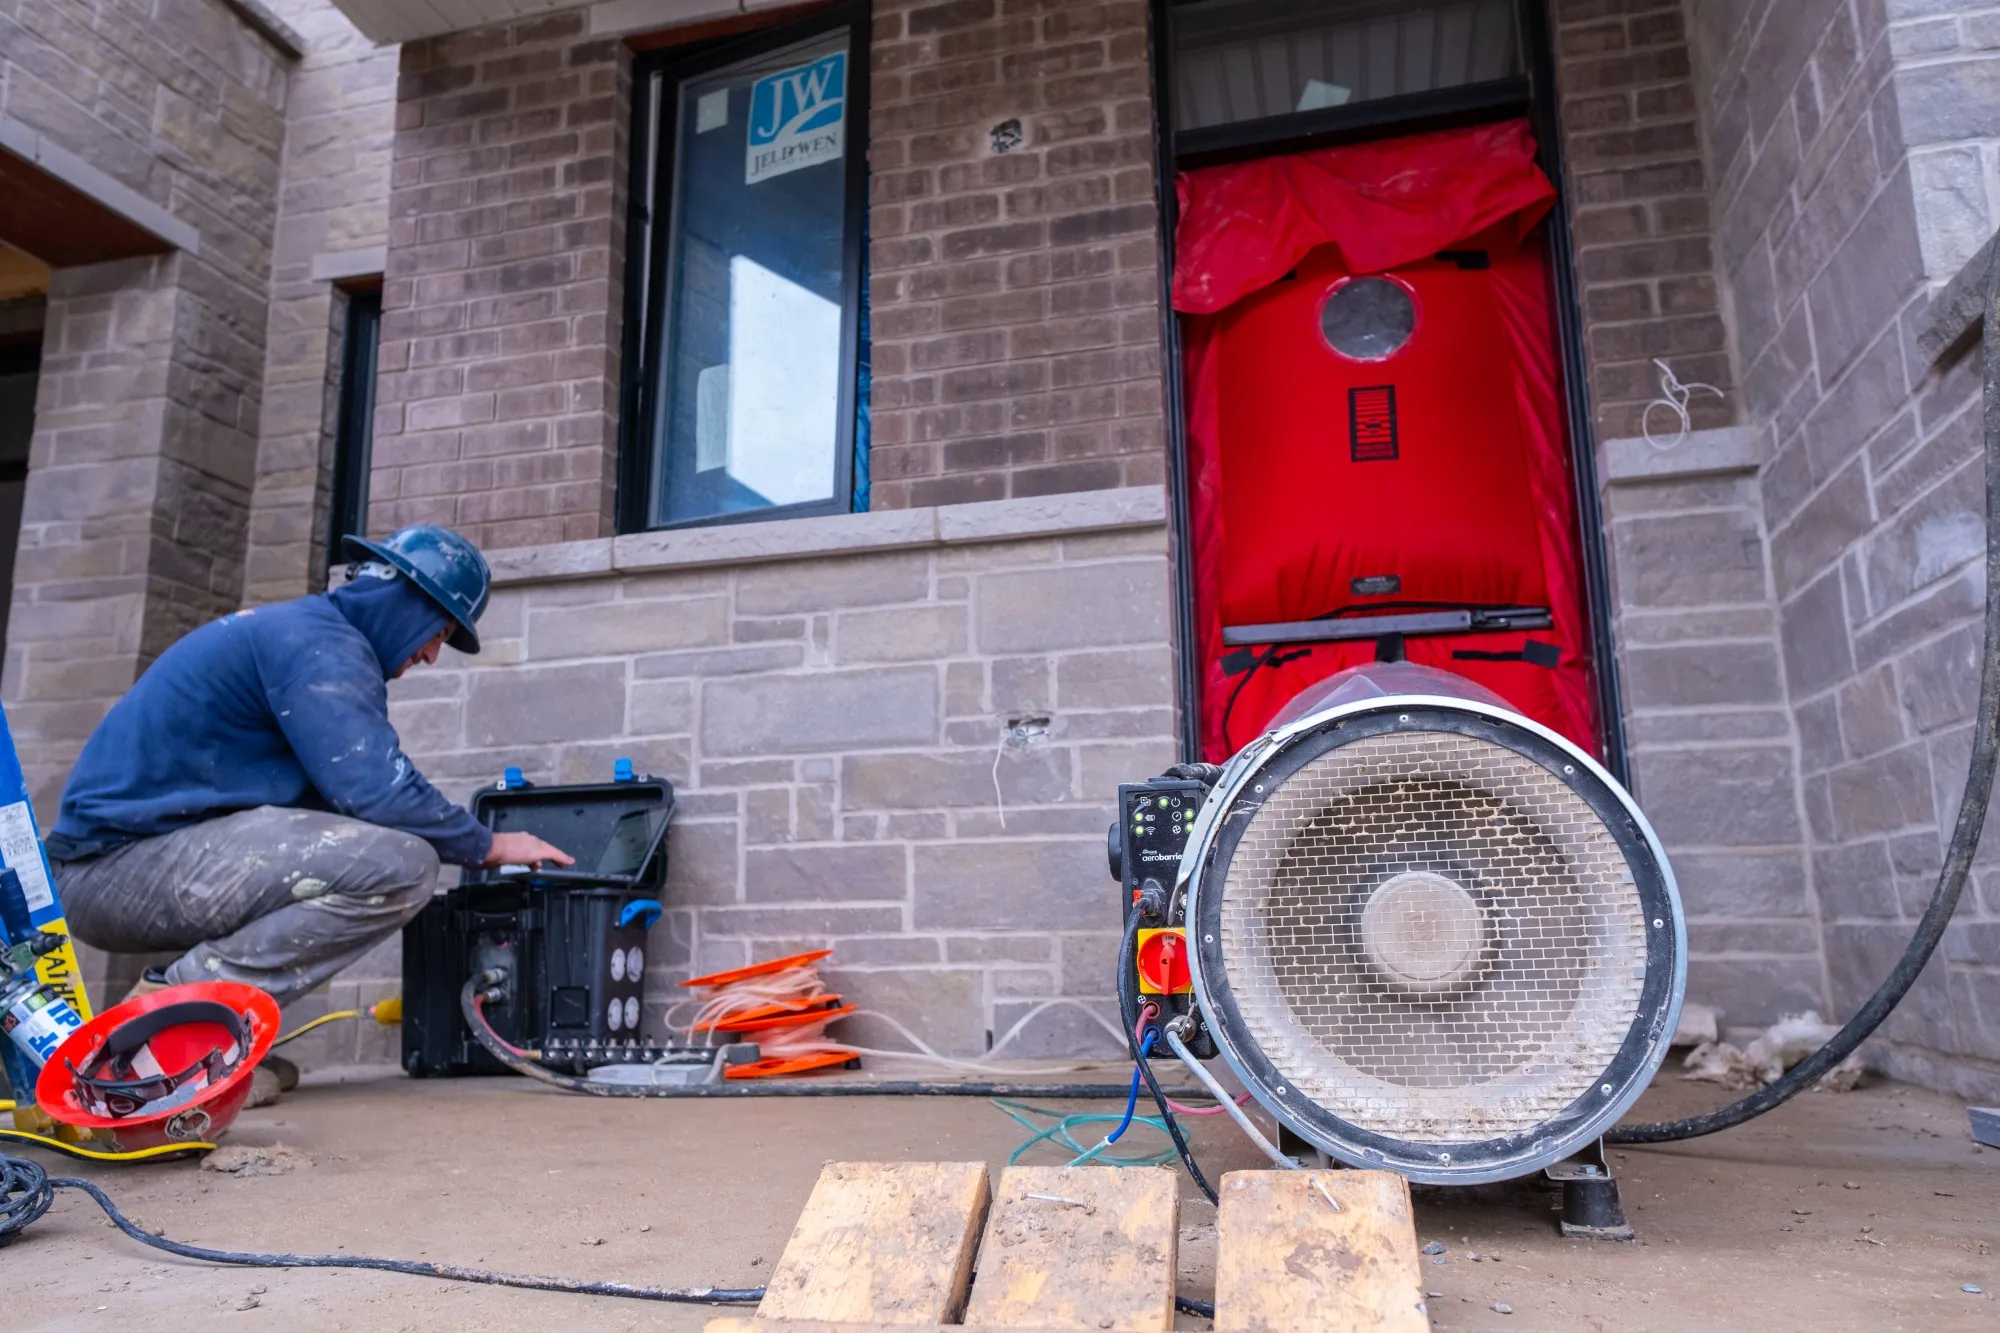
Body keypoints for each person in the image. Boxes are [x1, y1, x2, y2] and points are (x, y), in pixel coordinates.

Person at [45, 525, 573, 1100]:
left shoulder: (310, 636)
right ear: (403, 601)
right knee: (404, 864)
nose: (429, 655)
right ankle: (178, 1025)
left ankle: (218, 1037)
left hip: (134, 867)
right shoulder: (320, 643)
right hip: (113, 871)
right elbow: (378, 790)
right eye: (438, 632)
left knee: (357, 852)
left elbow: (351, 807)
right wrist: (490, 846)